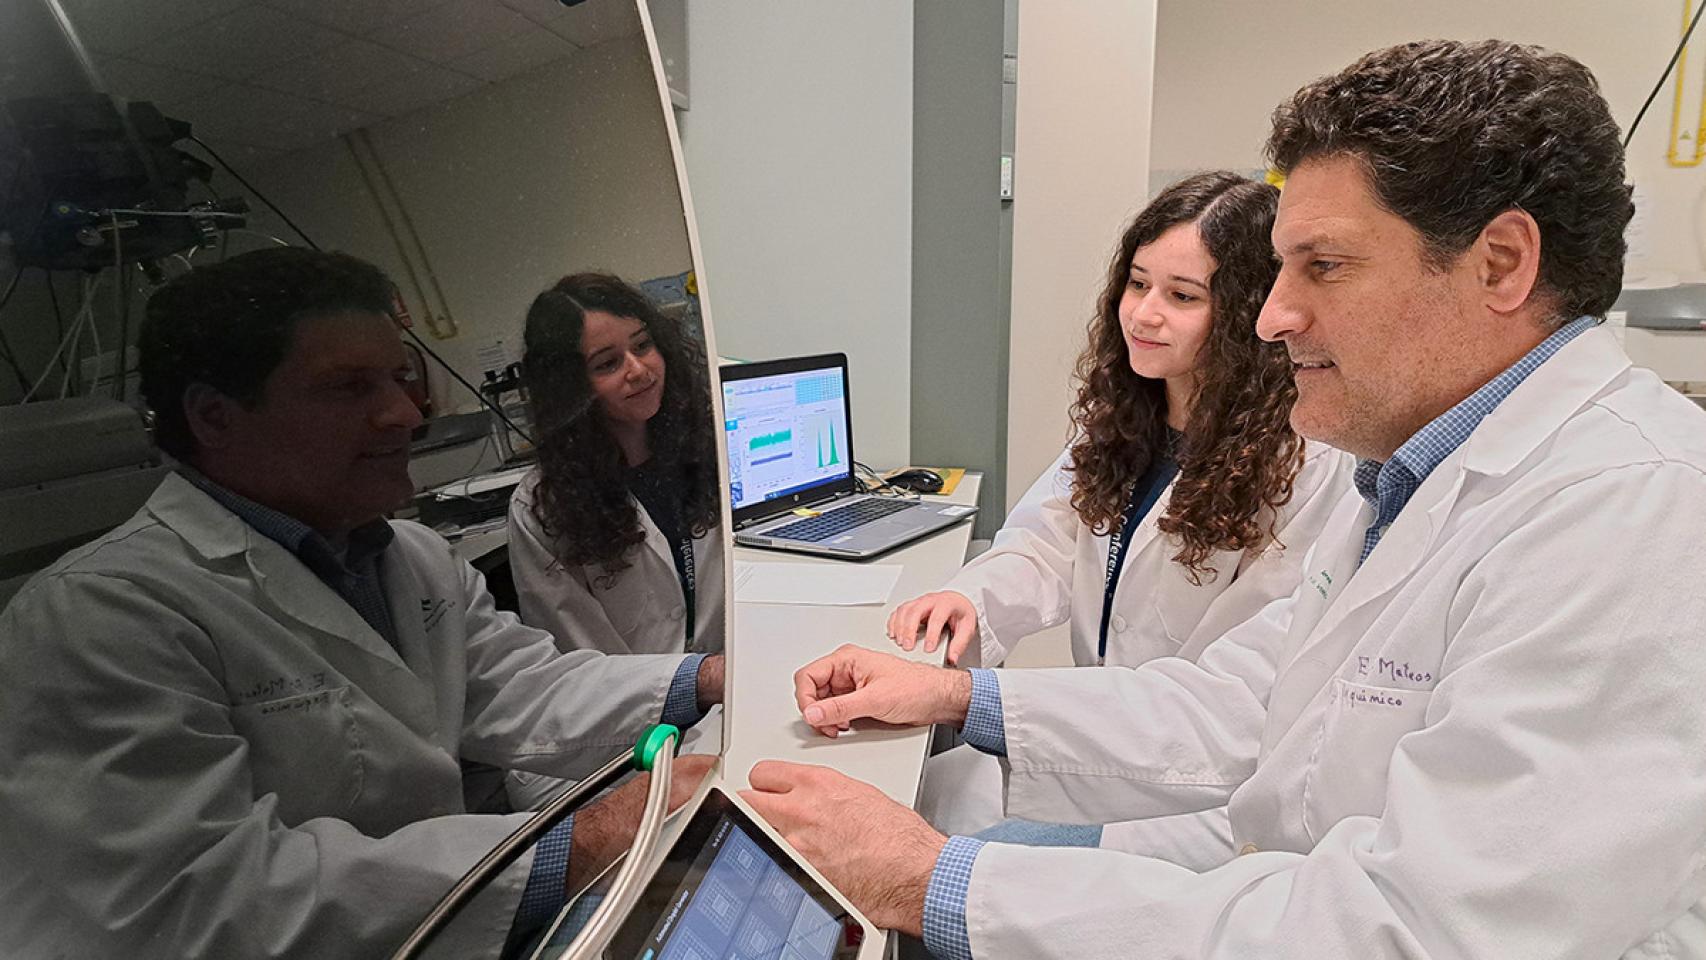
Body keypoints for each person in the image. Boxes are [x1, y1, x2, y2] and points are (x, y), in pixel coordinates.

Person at [742, 39, 1706, 958]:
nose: (1276, 314)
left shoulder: (1630, 515)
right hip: (1240, 877)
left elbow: (1420, 934)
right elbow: (1242, 703)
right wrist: (960, 701)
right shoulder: (1409, 474)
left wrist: (936, 885)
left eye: (1322, 267)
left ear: (1501, 263)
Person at [0, 247, 723, 959]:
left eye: (401, 378)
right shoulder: (98, 619)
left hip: (422, 924)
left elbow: (523, 687)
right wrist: (582, 841)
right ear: (215, 417)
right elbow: (203, 902)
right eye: (349, 388)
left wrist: (709, 679)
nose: (405, 413)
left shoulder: (406, 556)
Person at [890, 171, 1351, 847]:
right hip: (1107, 740)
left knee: (947, 836)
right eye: (1137, 284)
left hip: (1200, 797)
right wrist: (972, 599)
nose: (1143, 313)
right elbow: (1047, 541)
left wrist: (971, 703)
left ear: (1246, 311)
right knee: (923, 794)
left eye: (1182, 296)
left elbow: (1236, 700)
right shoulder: (1131, 417)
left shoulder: (1304, 463)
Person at [507, 272, 724, 657]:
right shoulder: (544, 506)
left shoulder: (708, 445)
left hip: (739, 677)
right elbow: (580, 663)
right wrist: (692, 685)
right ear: (570, 386)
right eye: (607, 364)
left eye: (643, 345)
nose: (639, 370)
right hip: (642, 710)